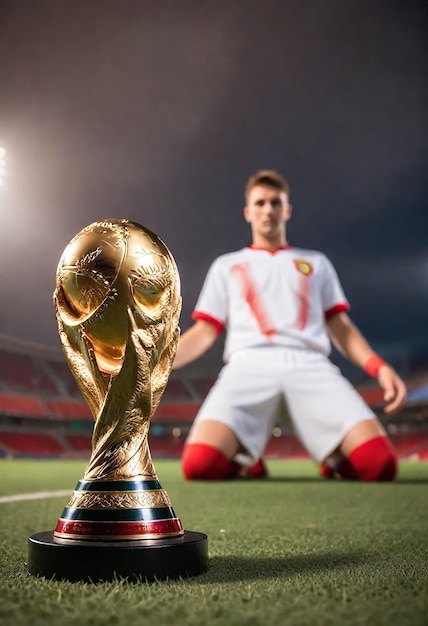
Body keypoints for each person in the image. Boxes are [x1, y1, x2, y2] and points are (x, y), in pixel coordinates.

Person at [173, 170, 407, 481]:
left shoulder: (316, 263)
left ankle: (332, 460)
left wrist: (379, 367)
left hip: (309, 362)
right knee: (199, 466)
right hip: (248, 363)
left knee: (380, 465)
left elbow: (341, 327)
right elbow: (204, 332)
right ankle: (247, 458)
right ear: (248, 212)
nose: (267, 210)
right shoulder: (226, 265)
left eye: (275, 202)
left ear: (287, 209)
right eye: (260, 203)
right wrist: (160, 361)